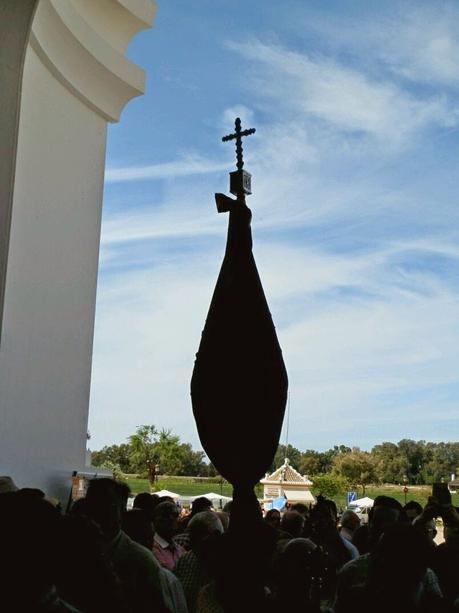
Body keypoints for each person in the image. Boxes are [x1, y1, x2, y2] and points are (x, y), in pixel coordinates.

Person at [85, 478, 166, 612]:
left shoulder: (141, 559)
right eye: (93, 504)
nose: (98, 511)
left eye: (107, 505)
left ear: (122, 511)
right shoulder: (75, 552)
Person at [174, 511, 224, 613]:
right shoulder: (185, 560)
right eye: (190, 537)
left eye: (197, 538)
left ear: (216, 536)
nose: (190, 543)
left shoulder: (233, 564)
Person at [153, 501, 186, 570]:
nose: (171, 519)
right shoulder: (151, 548)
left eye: (175, 515)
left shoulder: (180, 549)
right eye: (165, 515)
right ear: (155, 520)